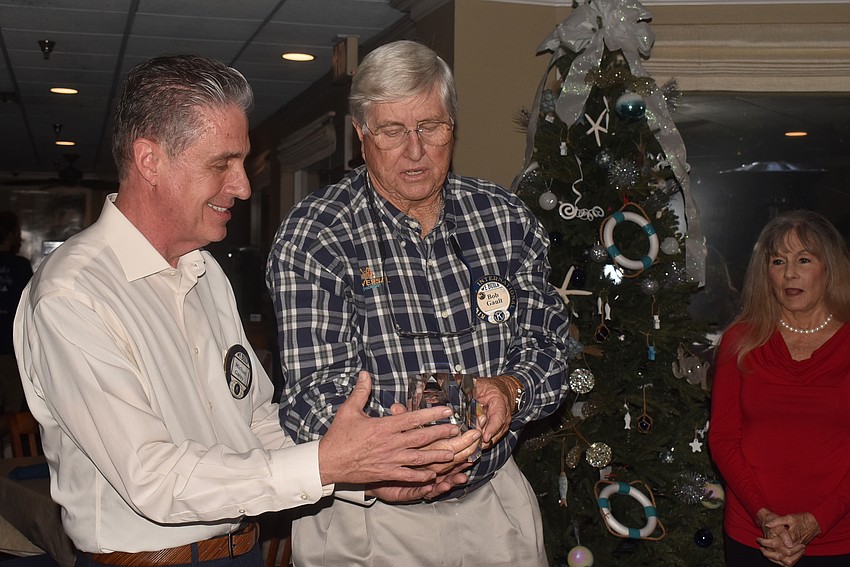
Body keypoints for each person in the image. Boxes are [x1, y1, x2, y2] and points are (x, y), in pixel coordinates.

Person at [13, 54, 471, 566]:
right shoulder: (73, 294)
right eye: (221, 164)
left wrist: (363, 474)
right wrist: (326, 464)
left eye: (241, 163)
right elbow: (153, 478)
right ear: (149, 161)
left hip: (243, 551)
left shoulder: (205, 272)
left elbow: (252, 423)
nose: (243, 186)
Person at [266, 40, 573, 567]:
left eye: (430, 127)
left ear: (453, 125)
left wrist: (511, 388)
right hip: (369, 521)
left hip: (495, 506)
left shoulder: (505, 220)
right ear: (361, 135)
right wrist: (392, 453)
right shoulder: (316, 236)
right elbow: (312, 395)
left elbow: (550, 346)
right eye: (392, 131)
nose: (415, 150)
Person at [709, 210, 850, 566]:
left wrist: (817, 521)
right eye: (778, 261)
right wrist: (764, 516)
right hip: (753, 533)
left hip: (839, 538)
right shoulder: (740, 340)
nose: (790, 274)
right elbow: (723, 438)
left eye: (804, 259)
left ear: (829, 267)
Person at [0, 211, 32, 413]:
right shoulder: (20, 266)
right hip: (10, 349)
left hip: (10, 348)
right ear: (10, 234)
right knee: (14, 407)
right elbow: (28, 308)